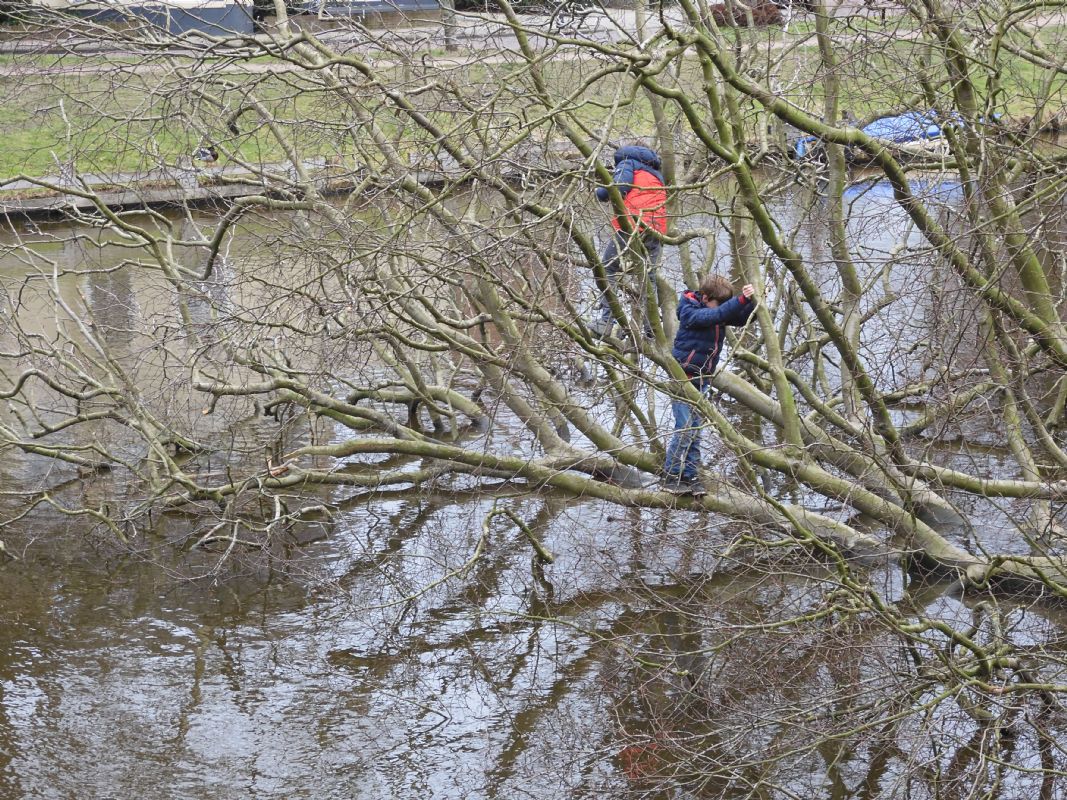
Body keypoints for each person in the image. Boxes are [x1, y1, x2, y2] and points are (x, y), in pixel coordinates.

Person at [662, 274, 756, 495]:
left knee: (696, 431)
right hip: (683, 376)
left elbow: (739, 318)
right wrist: (741, 299)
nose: (722, 308)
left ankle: (690, 476)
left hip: (703, 378)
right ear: (705, 298)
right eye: (718, 303)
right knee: (685, 428)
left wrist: (753, 302)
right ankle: (670, 476)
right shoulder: (690, 311)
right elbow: (716, 315)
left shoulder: (716, 310)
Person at [589, 145, 668, 338]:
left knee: (607, 268)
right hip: (656, 229)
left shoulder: (627, 163)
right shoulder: (656, 174)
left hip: (633, 225)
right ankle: (652, 328)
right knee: (648, 277)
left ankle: (606, 321)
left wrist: (600, 192)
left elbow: (619, 188)